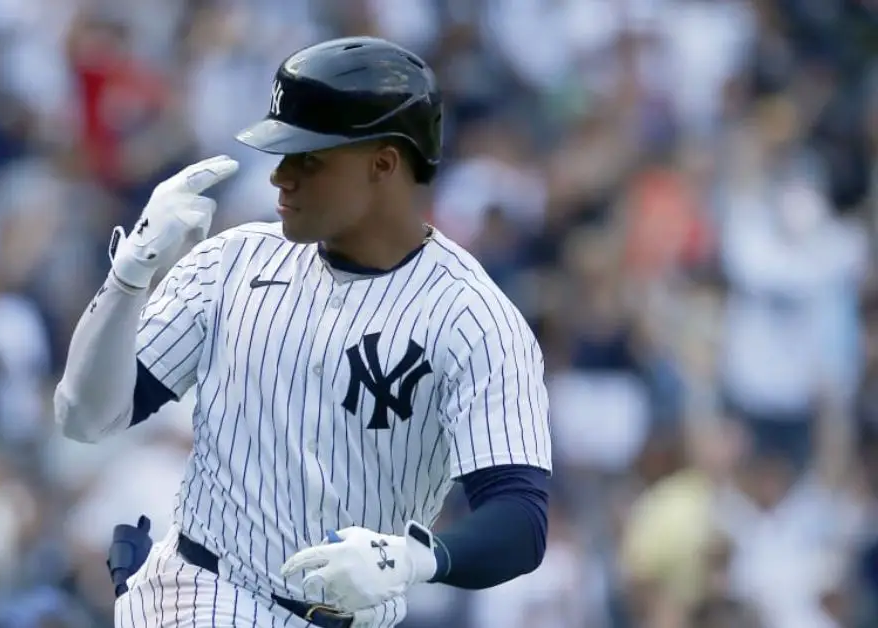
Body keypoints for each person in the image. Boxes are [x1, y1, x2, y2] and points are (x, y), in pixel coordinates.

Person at [55, 36, 552, 627]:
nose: (280, 177)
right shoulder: (232, 262)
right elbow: (86, 417)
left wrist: (419, 558)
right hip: (200, 591)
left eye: (308, 157)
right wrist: (128, 279)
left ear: (383, 164)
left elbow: (521, 518)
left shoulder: (474, 319)